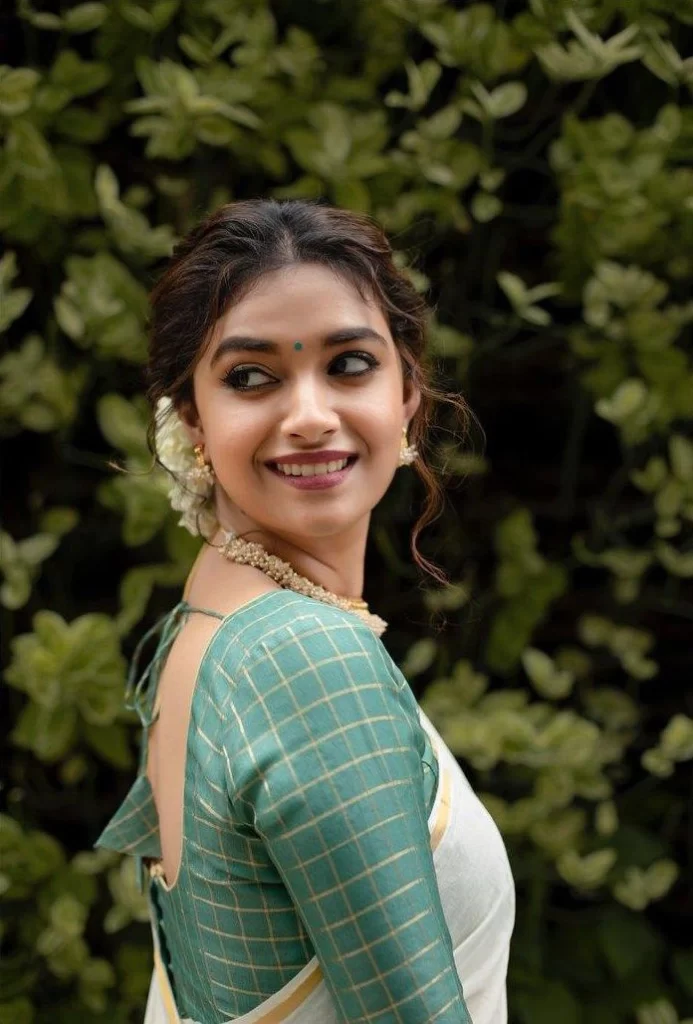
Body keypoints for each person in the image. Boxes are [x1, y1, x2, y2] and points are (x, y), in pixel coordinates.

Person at [96, 198, 515, 1024]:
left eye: (349, 364)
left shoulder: (206, 619)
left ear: (407, 397)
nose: (310, 416)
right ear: (193, 422)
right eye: (251, 377)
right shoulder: (304, 658)